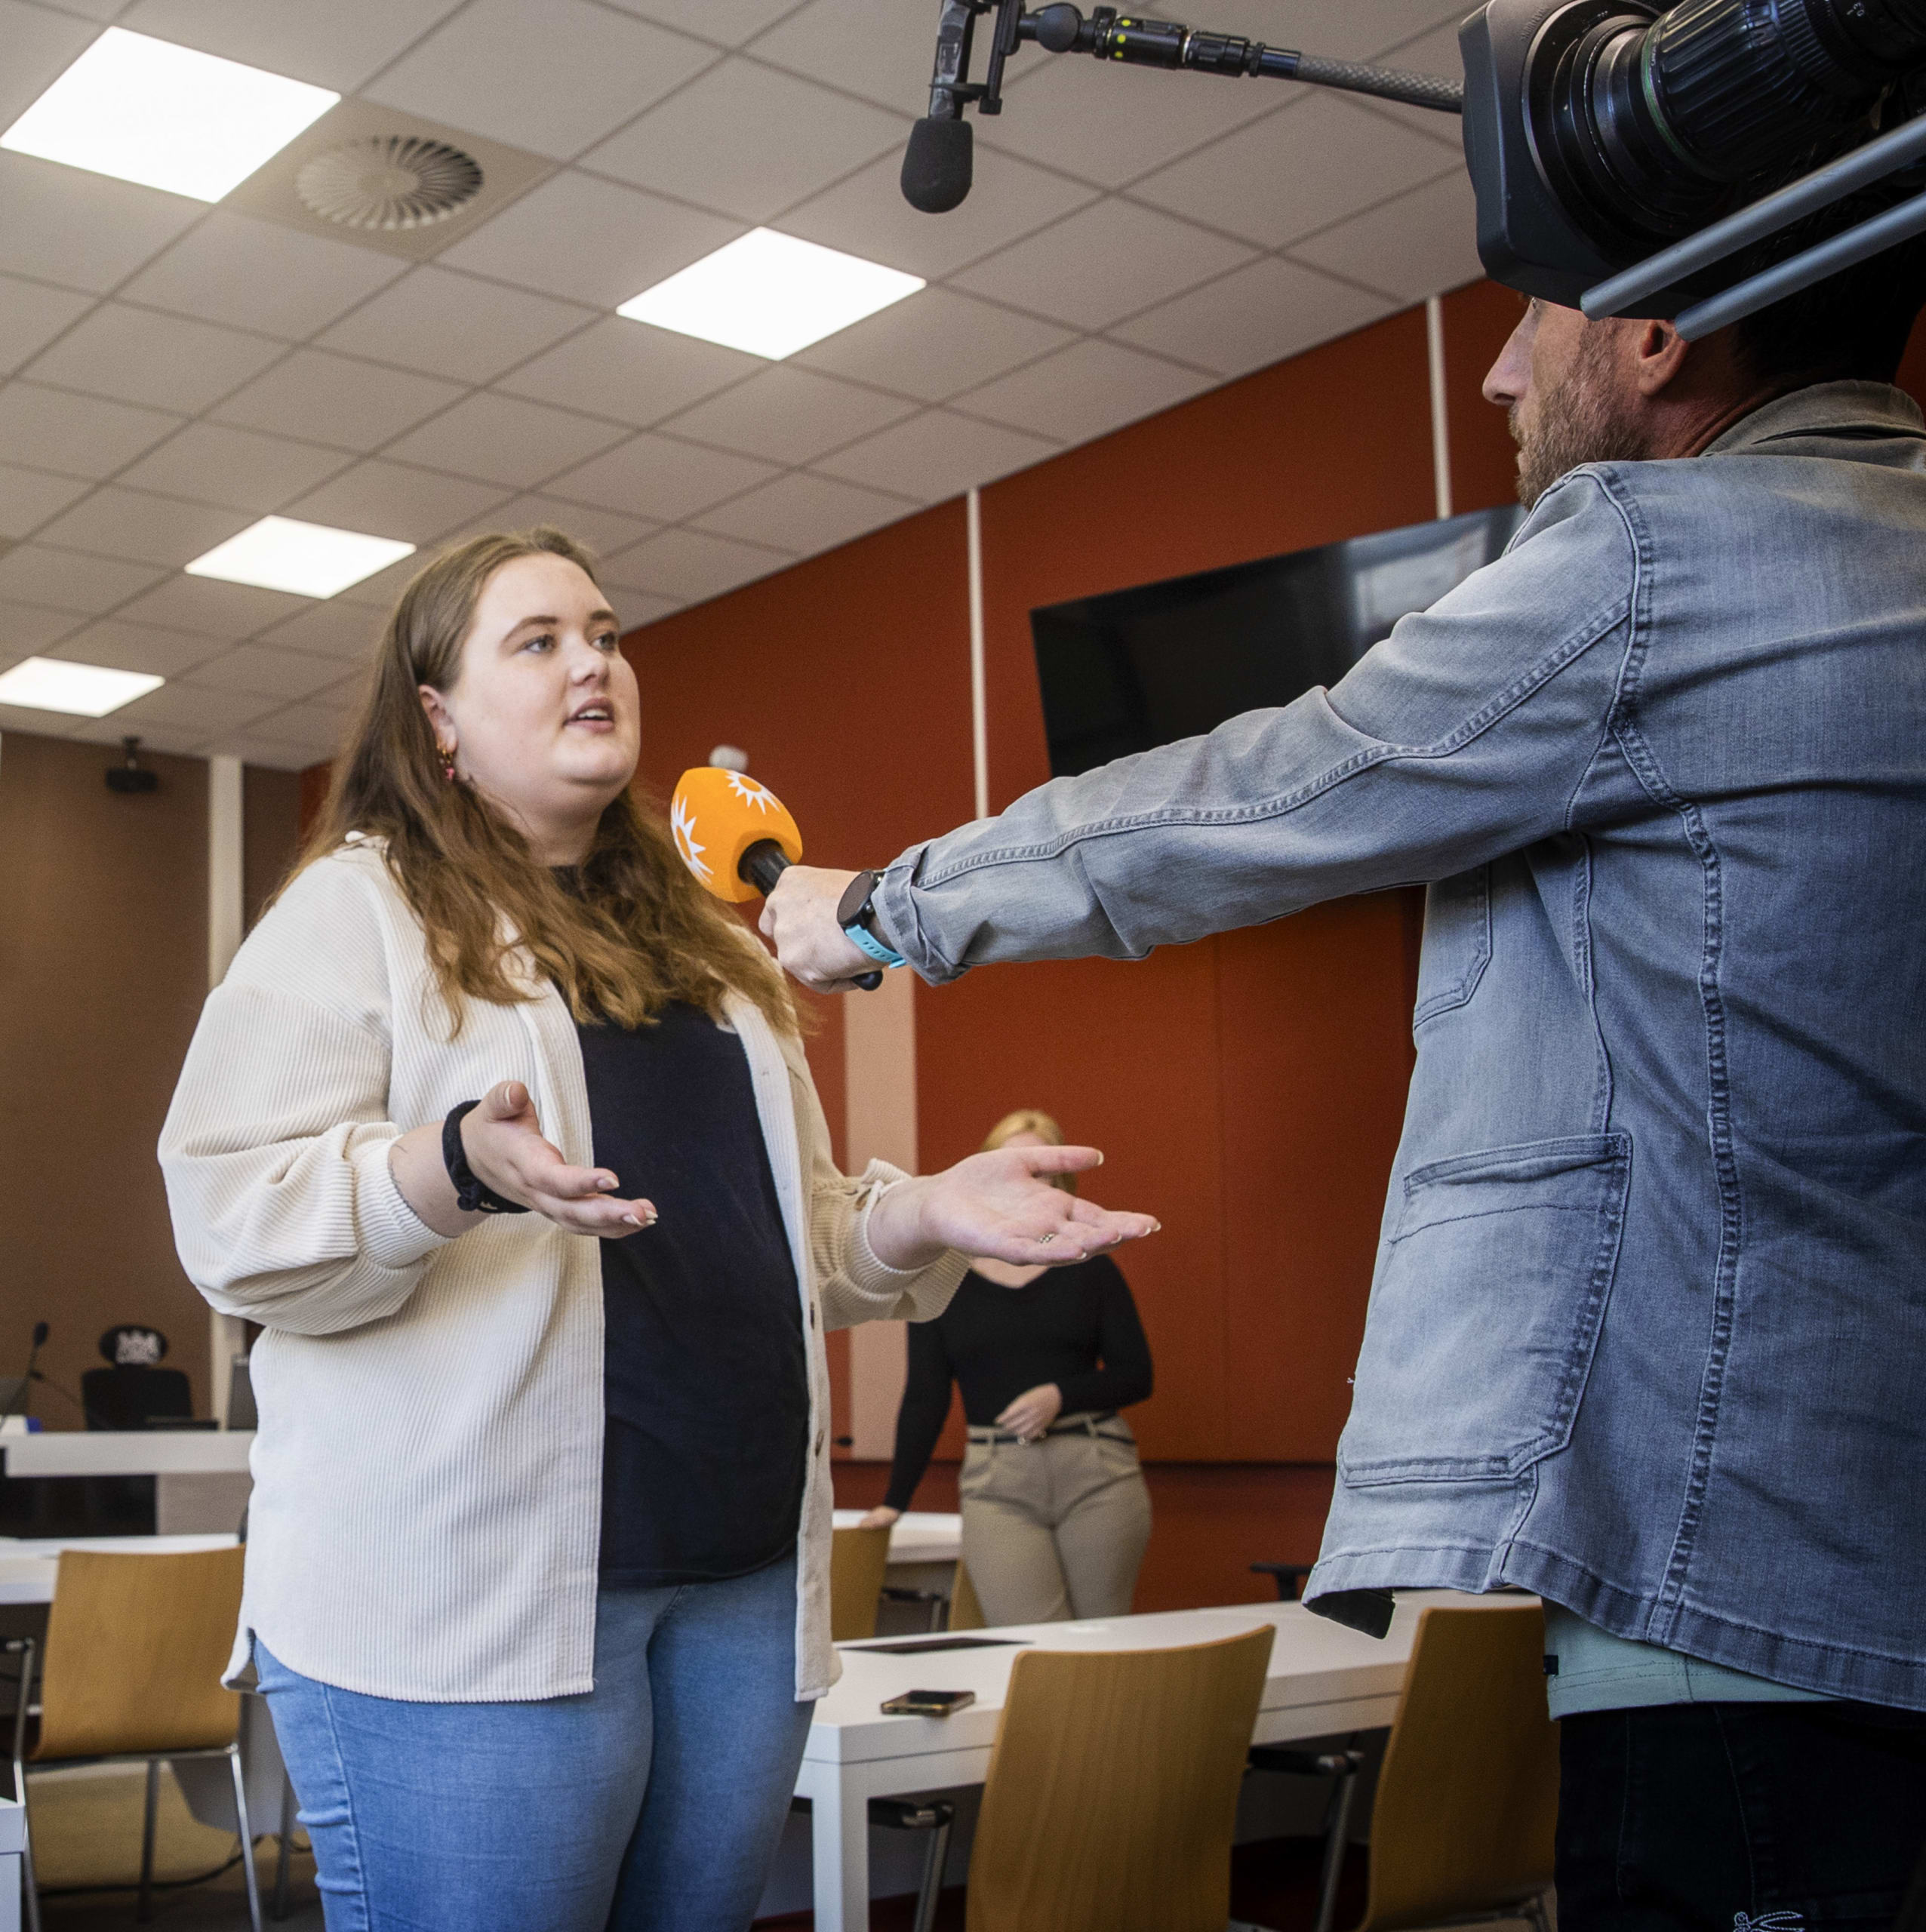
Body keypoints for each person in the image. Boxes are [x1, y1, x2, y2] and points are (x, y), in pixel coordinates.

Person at [761, 226, 1926, 1928]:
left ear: (1660, 333)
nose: (1500, 375)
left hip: (1711, 1559)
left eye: (1535, 322)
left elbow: (1272, 789)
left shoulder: (1657, 556)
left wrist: (889, 905)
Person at [160, 528, 1157, 1931]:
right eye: (540, 641)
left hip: (741, 1592)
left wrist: (925, 1212)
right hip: (477, 1617)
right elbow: (226, 1212)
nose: (594, 665)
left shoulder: (710, 947)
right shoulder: (358, 912)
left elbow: (799, 1240)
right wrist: (448, 1169)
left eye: (608, 634)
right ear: (436, 719)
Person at [862, 1108, 1153, 1625]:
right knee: (1030, 1643)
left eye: (1043, 1171)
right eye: (1014, 1164)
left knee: (1103, 1640)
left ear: (1063, 1182)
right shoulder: (944, 1277)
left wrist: (1060, 1396)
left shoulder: (1093, 1272)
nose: (1029, 1182)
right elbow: (925, 1395)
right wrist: (895, 1501)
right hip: (997, 1483)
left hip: (1096, 1471)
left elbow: (1136, 1375)